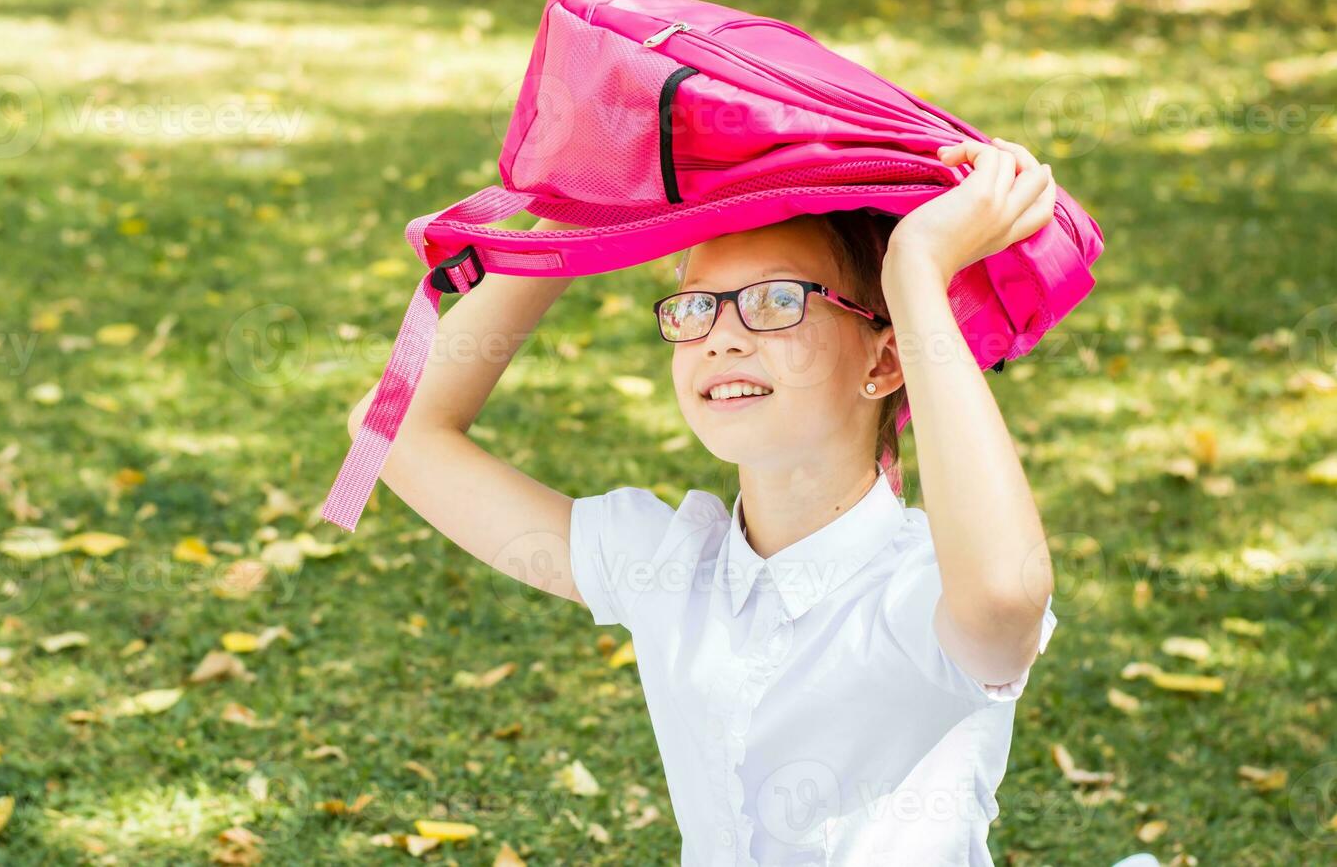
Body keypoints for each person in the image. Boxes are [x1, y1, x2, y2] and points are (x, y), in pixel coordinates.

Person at [345, 137, 1062, 864]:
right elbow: (393, 435)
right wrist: (578, 213)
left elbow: (1005, 600)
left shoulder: (923, 593)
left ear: (882, 360)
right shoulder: (667, 569)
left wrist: (917, 272)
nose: (720, 338)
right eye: (695, 309)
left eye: (776, 302)